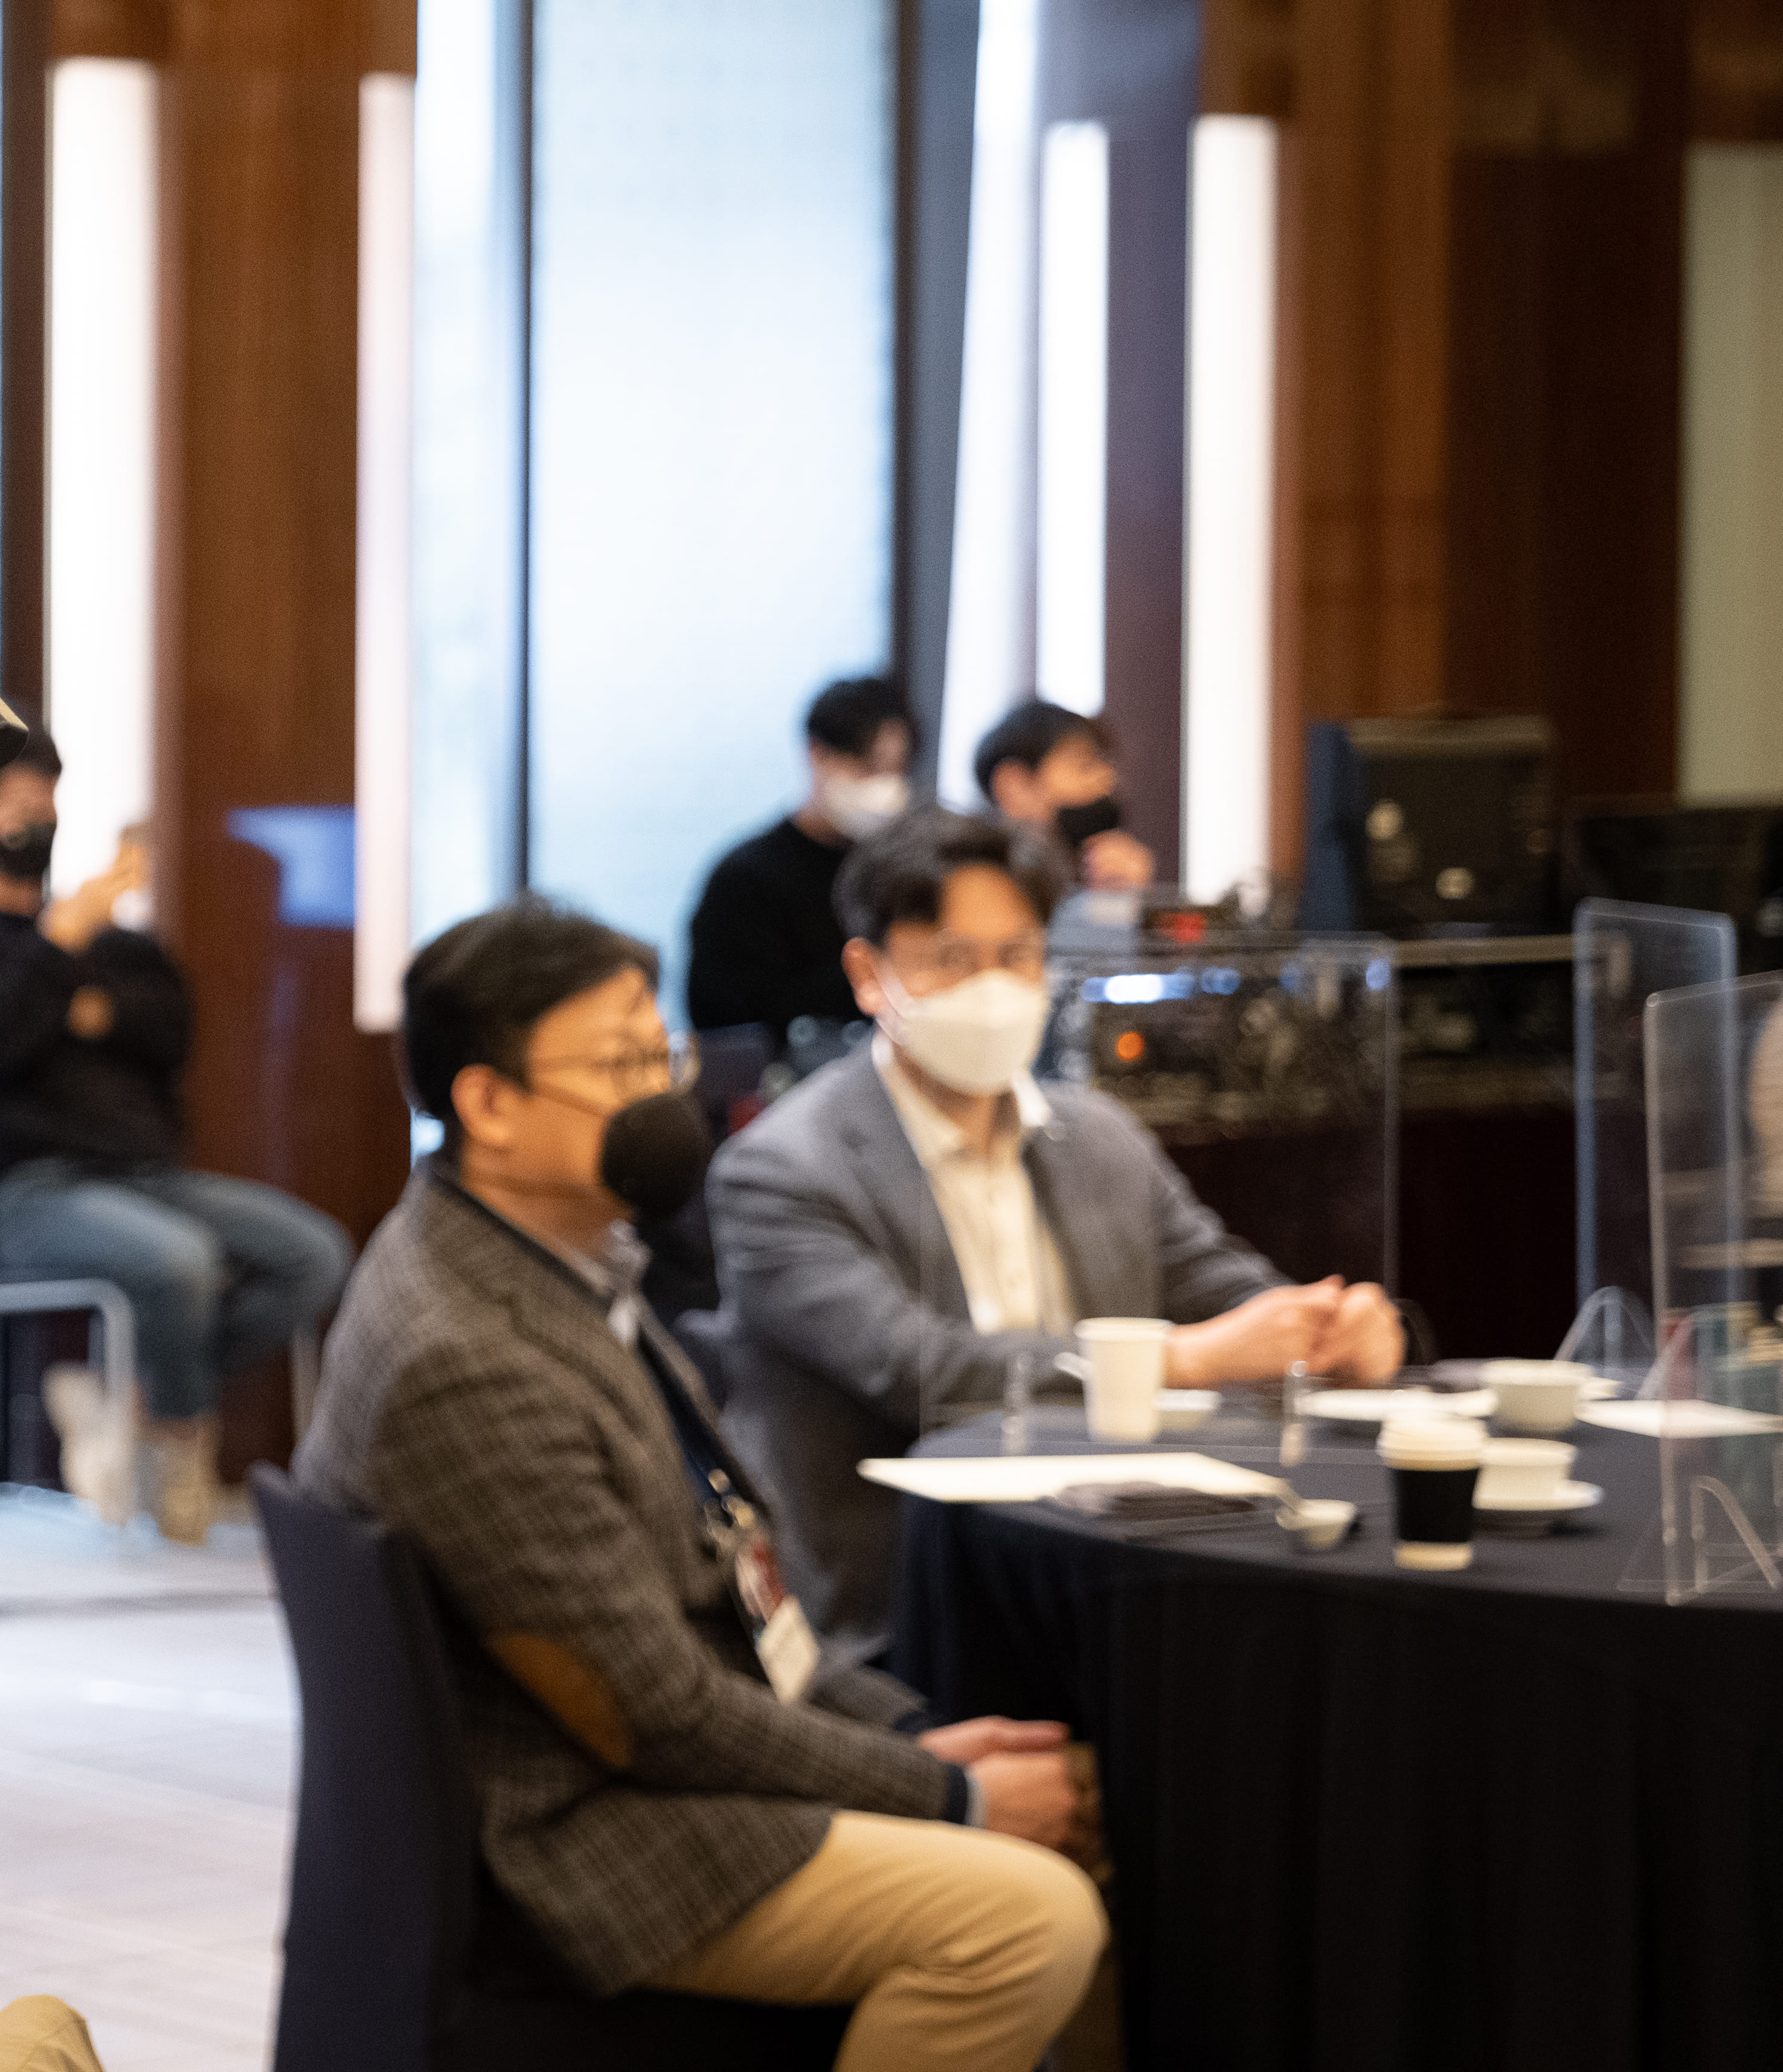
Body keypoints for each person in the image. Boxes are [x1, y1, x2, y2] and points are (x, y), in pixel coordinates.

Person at [295, 896, 1106, 2070]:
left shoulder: (558, 1259)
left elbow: (738, 1599)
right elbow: (656, 1712)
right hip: (587, 1839)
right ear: (488, 1104)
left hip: (659, 1770)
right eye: (616, 1067)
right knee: (1024, 1921)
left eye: (658, 1055)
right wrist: (947, 1794)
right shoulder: (464, 1355)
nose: (659, 1099)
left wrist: (917, 1738)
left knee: (1085, 1816)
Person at [710, 808, 1404, 1659]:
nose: (992, 989)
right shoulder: (782, 1168)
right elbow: (923, 1372)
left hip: (1127, 1568)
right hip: (909, 1610)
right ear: (868, 973)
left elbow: (1226, 1293)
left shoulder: (1101, 1137)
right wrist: (1180, 1360)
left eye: (1017, 956)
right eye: (952, 960)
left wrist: (1329, 1331)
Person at [0, 733, 350, 1542]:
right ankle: (180, 1458)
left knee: (313, 1255)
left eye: (48, 798)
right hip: (33, 1194)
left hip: (152, 1180)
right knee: (180, 1262)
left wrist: (70, 992)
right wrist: (60, 946)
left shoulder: (120, 945)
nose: (39, 817)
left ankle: (132, 1398)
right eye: (18, 802)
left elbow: (169, 1031)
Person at [684, 675, 914, 1050]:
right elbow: (723, 1024)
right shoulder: (746, 879)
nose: (882, 786)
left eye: (895, 771)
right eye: (866, 768)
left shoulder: (903, 871)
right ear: (816, 753)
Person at [971, 698, 1153, 895]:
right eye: (1084, 767)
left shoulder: (1078, 873)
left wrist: (1121, 897)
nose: (1107, 784)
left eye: (1107, 767)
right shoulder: (983, 885)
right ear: (1015, 787)